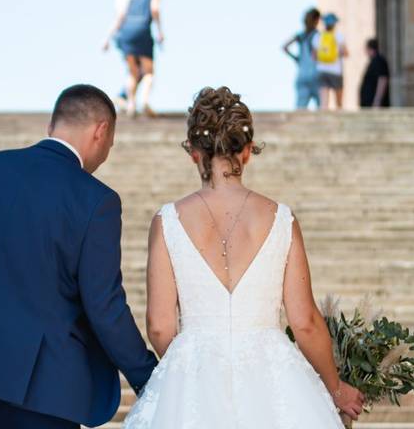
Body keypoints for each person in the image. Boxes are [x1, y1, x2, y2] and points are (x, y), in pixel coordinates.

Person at [0, 84, 157, 428]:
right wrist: (147, 375)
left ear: (52, 125)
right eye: (111, 145)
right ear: (101, 132)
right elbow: (104, 304)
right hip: (46, 389)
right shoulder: (96, 200)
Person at [123, 86, 364, 428]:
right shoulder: (281, 219)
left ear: (194, 152)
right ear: (248, 151)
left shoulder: (168, 222)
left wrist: (190, 378)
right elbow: (305, 321)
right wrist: (336, 388)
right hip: (275, 378)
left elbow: (160, 327)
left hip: (193, 378)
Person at [103, 0, 164, 117]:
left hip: (126, 33)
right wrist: (159, 30)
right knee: (148, 72)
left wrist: (107, 38)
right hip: (142, 31)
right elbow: (155, 10)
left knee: (133, 72)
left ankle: (131, 104)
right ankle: (144, 101)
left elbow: (121, 17)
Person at [282, 7, 321, 110]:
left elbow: (285, 47)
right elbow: (317, 54)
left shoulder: (300, 35)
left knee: (300, 110)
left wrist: (297, 58)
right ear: (317, 20)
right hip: (316, 75)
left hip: (302, 75)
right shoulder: (318, 35)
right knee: (321, 109)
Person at [311, 12, 348, 110]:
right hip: (336, 71)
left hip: (322, 70)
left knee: (324, 102)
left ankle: (324, 121)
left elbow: (313, 56)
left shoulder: (317, 37)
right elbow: (345, 53)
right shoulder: (338, 36)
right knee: (339, 102)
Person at [359, 37, 391, 108]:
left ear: (370, 49)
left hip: (375, 105)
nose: (365, 51)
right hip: (368, 105)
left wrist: (377, 102)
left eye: (366, 49)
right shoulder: (373, 61)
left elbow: (382, 80)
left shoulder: (379, 61)